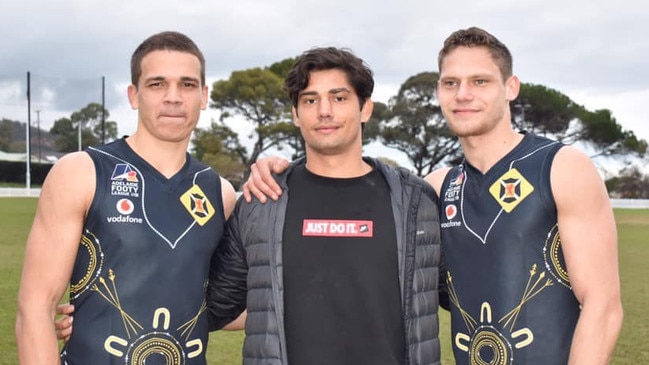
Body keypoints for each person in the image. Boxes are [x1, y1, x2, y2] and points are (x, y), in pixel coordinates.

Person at [242, 27, 624, 364]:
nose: (463, 95)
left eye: (480, 81)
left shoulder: (561, 167)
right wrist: (278, 168)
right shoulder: (435, 189)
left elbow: (603, 306)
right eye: (451, 83)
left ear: (511, 87)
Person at [206, 46, 448, 365]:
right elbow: (215, 308)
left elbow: (464, 294)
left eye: (339, 97)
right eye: (310, 100)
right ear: (295, 113)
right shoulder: (261, 202)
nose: (324, 111)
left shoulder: (417, 201)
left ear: (365, 108)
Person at [15, 31, 237, 365]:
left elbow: (219, 306)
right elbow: (35, 307)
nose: (173, 97)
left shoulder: (220, 192)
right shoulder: (82, 172)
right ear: (134, 95)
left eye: (188, 85)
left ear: (204, 96)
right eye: (157, 84)